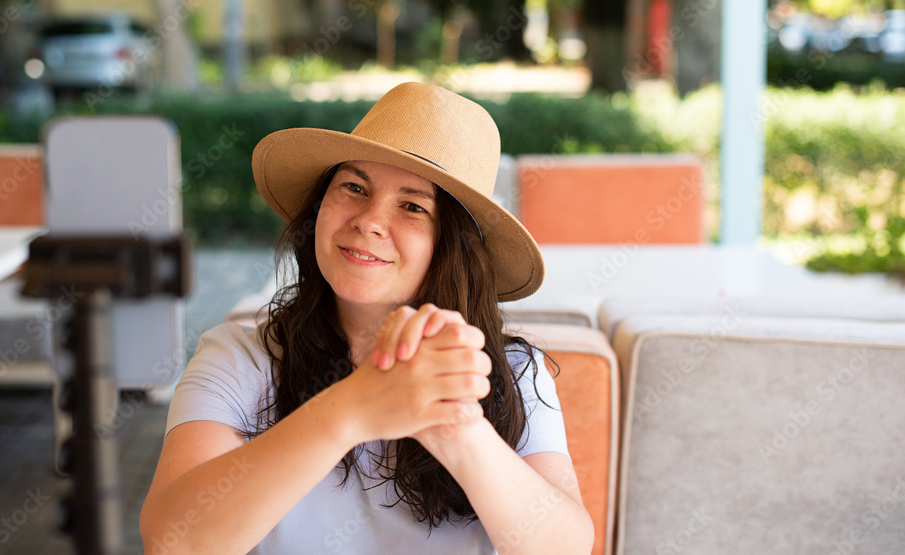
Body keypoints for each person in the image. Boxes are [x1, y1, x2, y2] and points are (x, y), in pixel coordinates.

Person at [140, 82, 594, 554]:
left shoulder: (513, 373)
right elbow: (173, 543)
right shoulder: (239, 358)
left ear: (452, 248)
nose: (369, 220)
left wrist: (455, 421)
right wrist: (354, 407)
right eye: (354, 187)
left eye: (413, 206)